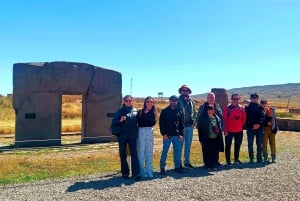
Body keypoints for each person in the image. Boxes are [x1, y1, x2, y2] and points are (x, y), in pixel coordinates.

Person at [111, 95, 140, 181]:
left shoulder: (135, 111)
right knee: (123, 154)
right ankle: (125, 173)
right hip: (122, 136)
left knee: (134, 154)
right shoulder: (119, 111)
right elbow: (113, 122)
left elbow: (140, 122)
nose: (128, 102)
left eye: (130, 100)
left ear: (132, 101)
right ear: (124, 101)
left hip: (132, 136)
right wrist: (120, 120)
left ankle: (136, 173)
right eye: (127, 100)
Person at [197, 92, 224, 165]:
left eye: (213, 97)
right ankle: (207, 162)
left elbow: (221, 117)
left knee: (216, 147)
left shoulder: (217, 106)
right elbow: (199, 119)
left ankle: (215, 161)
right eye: (210, 97)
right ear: (207, 98)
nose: (211, 99)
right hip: (206, 131)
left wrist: (222, 129)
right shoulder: (203, 106)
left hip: (216, 132)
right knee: (206, 148)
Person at [159, 95, 184, 174]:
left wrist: (181, 134)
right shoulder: (164, 111)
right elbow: (161, 124)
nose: (173, 102)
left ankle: (177, 167)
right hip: (167, 136)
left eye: (175, 100)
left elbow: (181, 124)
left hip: (177, 135)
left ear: (177, 101)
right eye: (172, 100)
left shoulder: (180, 111)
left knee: (177, 152)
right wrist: (164, 134)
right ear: (169, 101)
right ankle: (162, 167)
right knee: (165, 151)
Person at [223, 93, 246, 165]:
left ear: (239, 99)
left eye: (237, 99)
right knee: (228, 146)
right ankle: (228, 161)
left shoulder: (242, 108)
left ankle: (236, 159)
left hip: (239, 131)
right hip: (229, 131)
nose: (235, 100)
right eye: (234, 99)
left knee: (237, 145)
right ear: (231, 99)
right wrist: (225, 130)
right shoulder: (227, 108)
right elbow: (224, 120)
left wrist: (239, 126)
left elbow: (243, 119)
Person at [177, 85, 197, 168]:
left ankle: (187, 162)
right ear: (181, 91)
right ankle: (178, 163)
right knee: (179, 145)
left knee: (188, 145)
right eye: (183, 90)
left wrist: (194, 122)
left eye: (186, 90)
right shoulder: (177, 101)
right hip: (181, 127)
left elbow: (195, 112)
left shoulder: (192, 102)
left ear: (189, 91)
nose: (185, 92)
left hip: (190, 126)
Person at [137, 96, 157, 178]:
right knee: (141, 151)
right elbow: (138, 122)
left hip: (149, 131)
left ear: (153, 103)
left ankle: (149, 170)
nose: (149, 103)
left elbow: (152, 122)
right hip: (141, 131)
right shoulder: (140, 112)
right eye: (148, 101)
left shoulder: (154, 113)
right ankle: (142, 171)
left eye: (151, 101)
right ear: (145, 103)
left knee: (149, 151)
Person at [245, 93, 265, 163]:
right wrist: (251, 126)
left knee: (259, 144)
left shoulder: (260, 107)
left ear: (257, 99)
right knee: (250, 144)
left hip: (259, 129)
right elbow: (246, 119)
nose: (254, 99)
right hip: (250, 128)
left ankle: (259, 158)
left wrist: (259, 124)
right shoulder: (247, 108)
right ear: (251, 98)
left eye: (256, 98)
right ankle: (251, 158)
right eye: (253, 98)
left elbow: (262, 117)